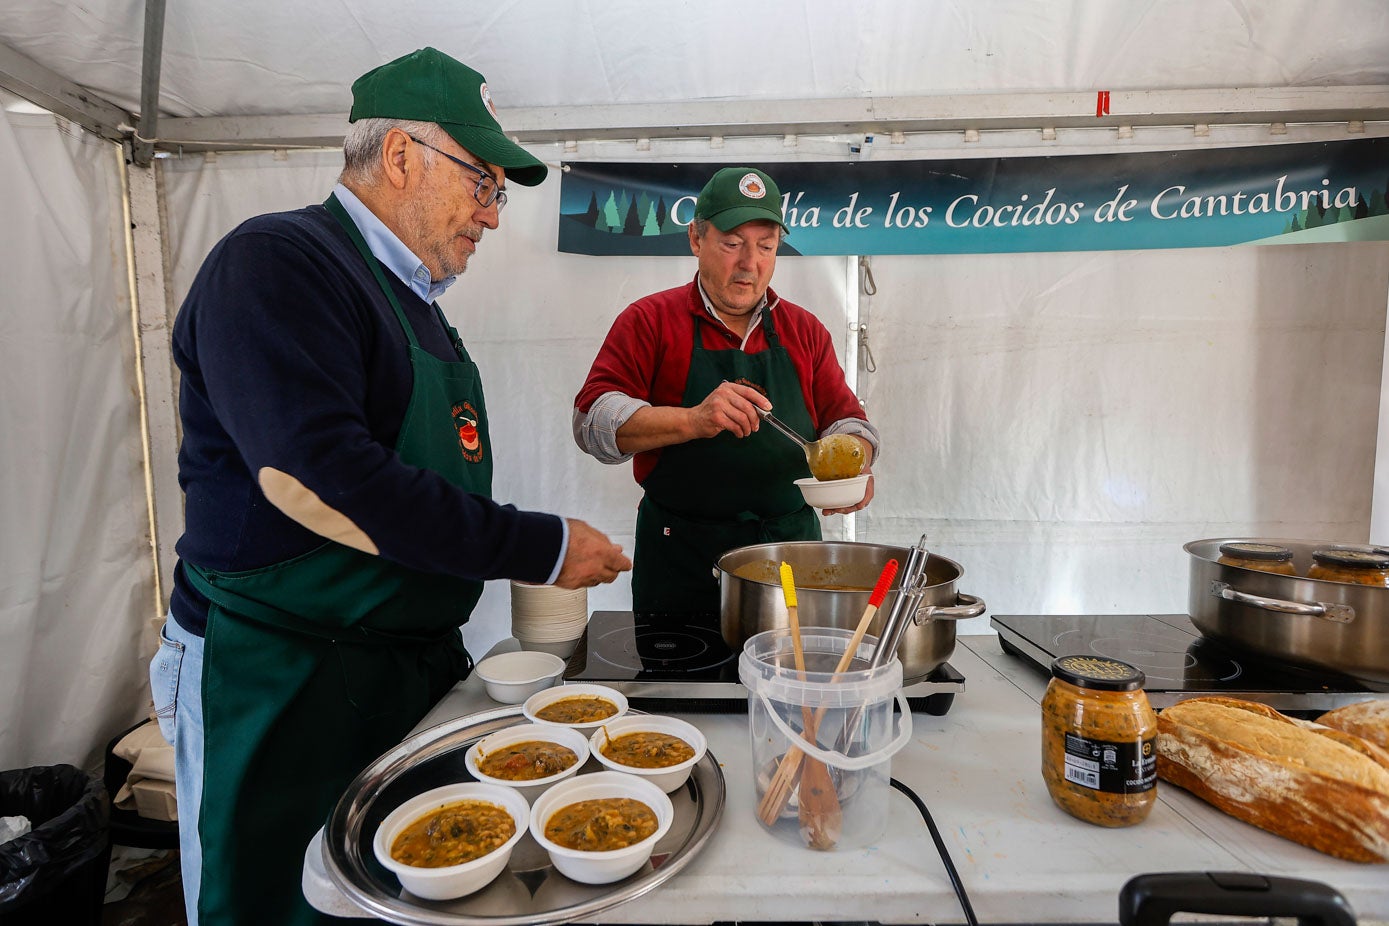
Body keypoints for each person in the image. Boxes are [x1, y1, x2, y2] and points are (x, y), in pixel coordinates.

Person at [148, 47, 631, 926]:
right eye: (481, 183)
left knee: (394, 897)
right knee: (267, 897)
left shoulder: (417, 305)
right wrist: (539, 545)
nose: (490, 216)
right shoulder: (277, 263)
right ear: (401, 155)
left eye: (497, 194)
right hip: (276, 674)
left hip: (395, 666)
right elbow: (314, 477)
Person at [573, 166, 878, 614]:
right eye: (732, 244)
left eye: (766, 247)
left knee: (788, 679)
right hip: (682, 557)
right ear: (696, 239)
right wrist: (694, 420)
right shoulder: (650, 321)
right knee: (677, 680)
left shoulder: (804, 330)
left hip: (790, 556)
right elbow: (592, 422)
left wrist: (856, 459)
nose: (749, 264)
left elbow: (850, 421)